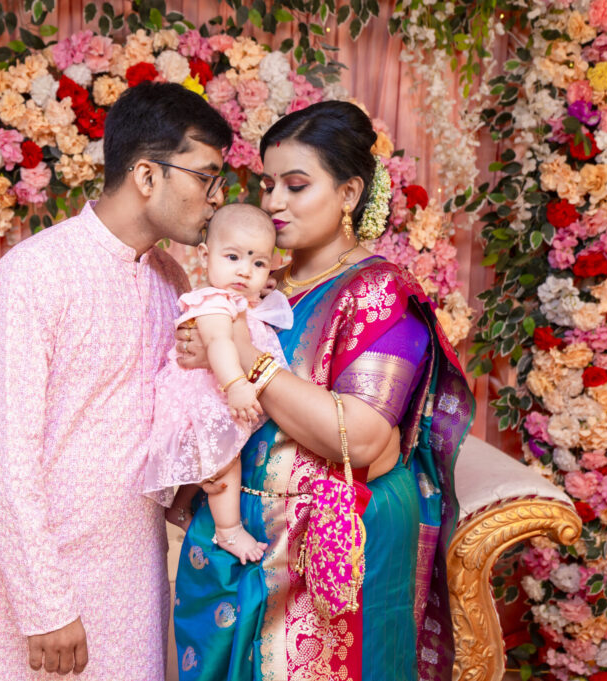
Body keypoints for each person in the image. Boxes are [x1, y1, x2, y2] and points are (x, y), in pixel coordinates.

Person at [171, 100, 475, 681]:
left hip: (325, 547)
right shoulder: (259, 282)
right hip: (233, 531)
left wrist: (244, 355)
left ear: (349, 193)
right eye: (268, 185)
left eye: (296, 185)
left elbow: (359, 439)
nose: (273, 203)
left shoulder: (380, 292)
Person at [0, 82, 232, 681]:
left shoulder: (172, 280)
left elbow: (167, 418)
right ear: (147, 175)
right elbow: (3, 455)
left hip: (133, 575)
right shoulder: (34, 274)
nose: (216, 198)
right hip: (39, 586)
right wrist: (45, 606)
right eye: (206, 178)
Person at [142, 203, 293, 565]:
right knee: (226, 461)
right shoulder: (212, 302)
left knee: (214, 455)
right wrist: (237, 384)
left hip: (213, 393)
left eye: (258, 263)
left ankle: (180, 507)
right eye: (233, 257)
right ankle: (229, 530)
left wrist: (258, 291)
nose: (244, 270)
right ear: (205, 255)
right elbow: (219, 343)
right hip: (207, 395)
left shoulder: (235, 298)